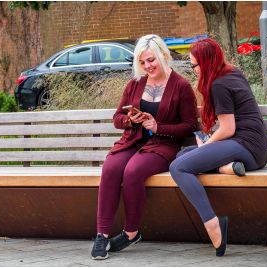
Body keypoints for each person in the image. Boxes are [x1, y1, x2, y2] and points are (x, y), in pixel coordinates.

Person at [91, 34, 198, 260]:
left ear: (163, 55)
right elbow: (117, 117)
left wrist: (159, 127)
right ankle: (101, 234)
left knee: (132, 171)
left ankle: (131, 232)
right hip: (132, 141)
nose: (147, 66)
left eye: (151, 60)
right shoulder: (136, 84)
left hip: (163, 145)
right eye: (142, 62)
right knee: (111, 168)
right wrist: (132, 120)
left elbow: (189, 126)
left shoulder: (181, 86)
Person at [169, 38, 267, 257]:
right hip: (253, 147)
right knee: (183, 154)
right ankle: (227, 167)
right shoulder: (231, 73)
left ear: (205, 63)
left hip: (244, 146)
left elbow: (228, 128)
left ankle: (212, 224)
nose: (193, 70)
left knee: (179, 167)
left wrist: (205, 145)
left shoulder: (218, 85)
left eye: (194, 65)